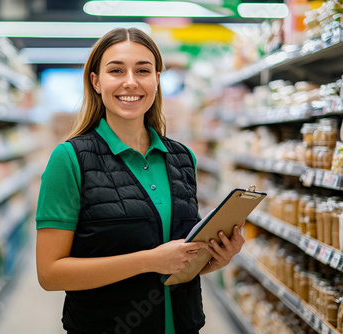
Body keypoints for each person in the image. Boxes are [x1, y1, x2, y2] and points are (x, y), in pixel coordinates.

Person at [35, 27, 245, 334]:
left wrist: (214, 259)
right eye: (116, 70)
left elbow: (179, 257)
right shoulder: (69, 159)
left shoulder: (183, 157)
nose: (130, 82)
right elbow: (50, 274)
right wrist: (150, 261)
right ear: (96, 81)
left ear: (158, 80)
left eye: (143, 70)